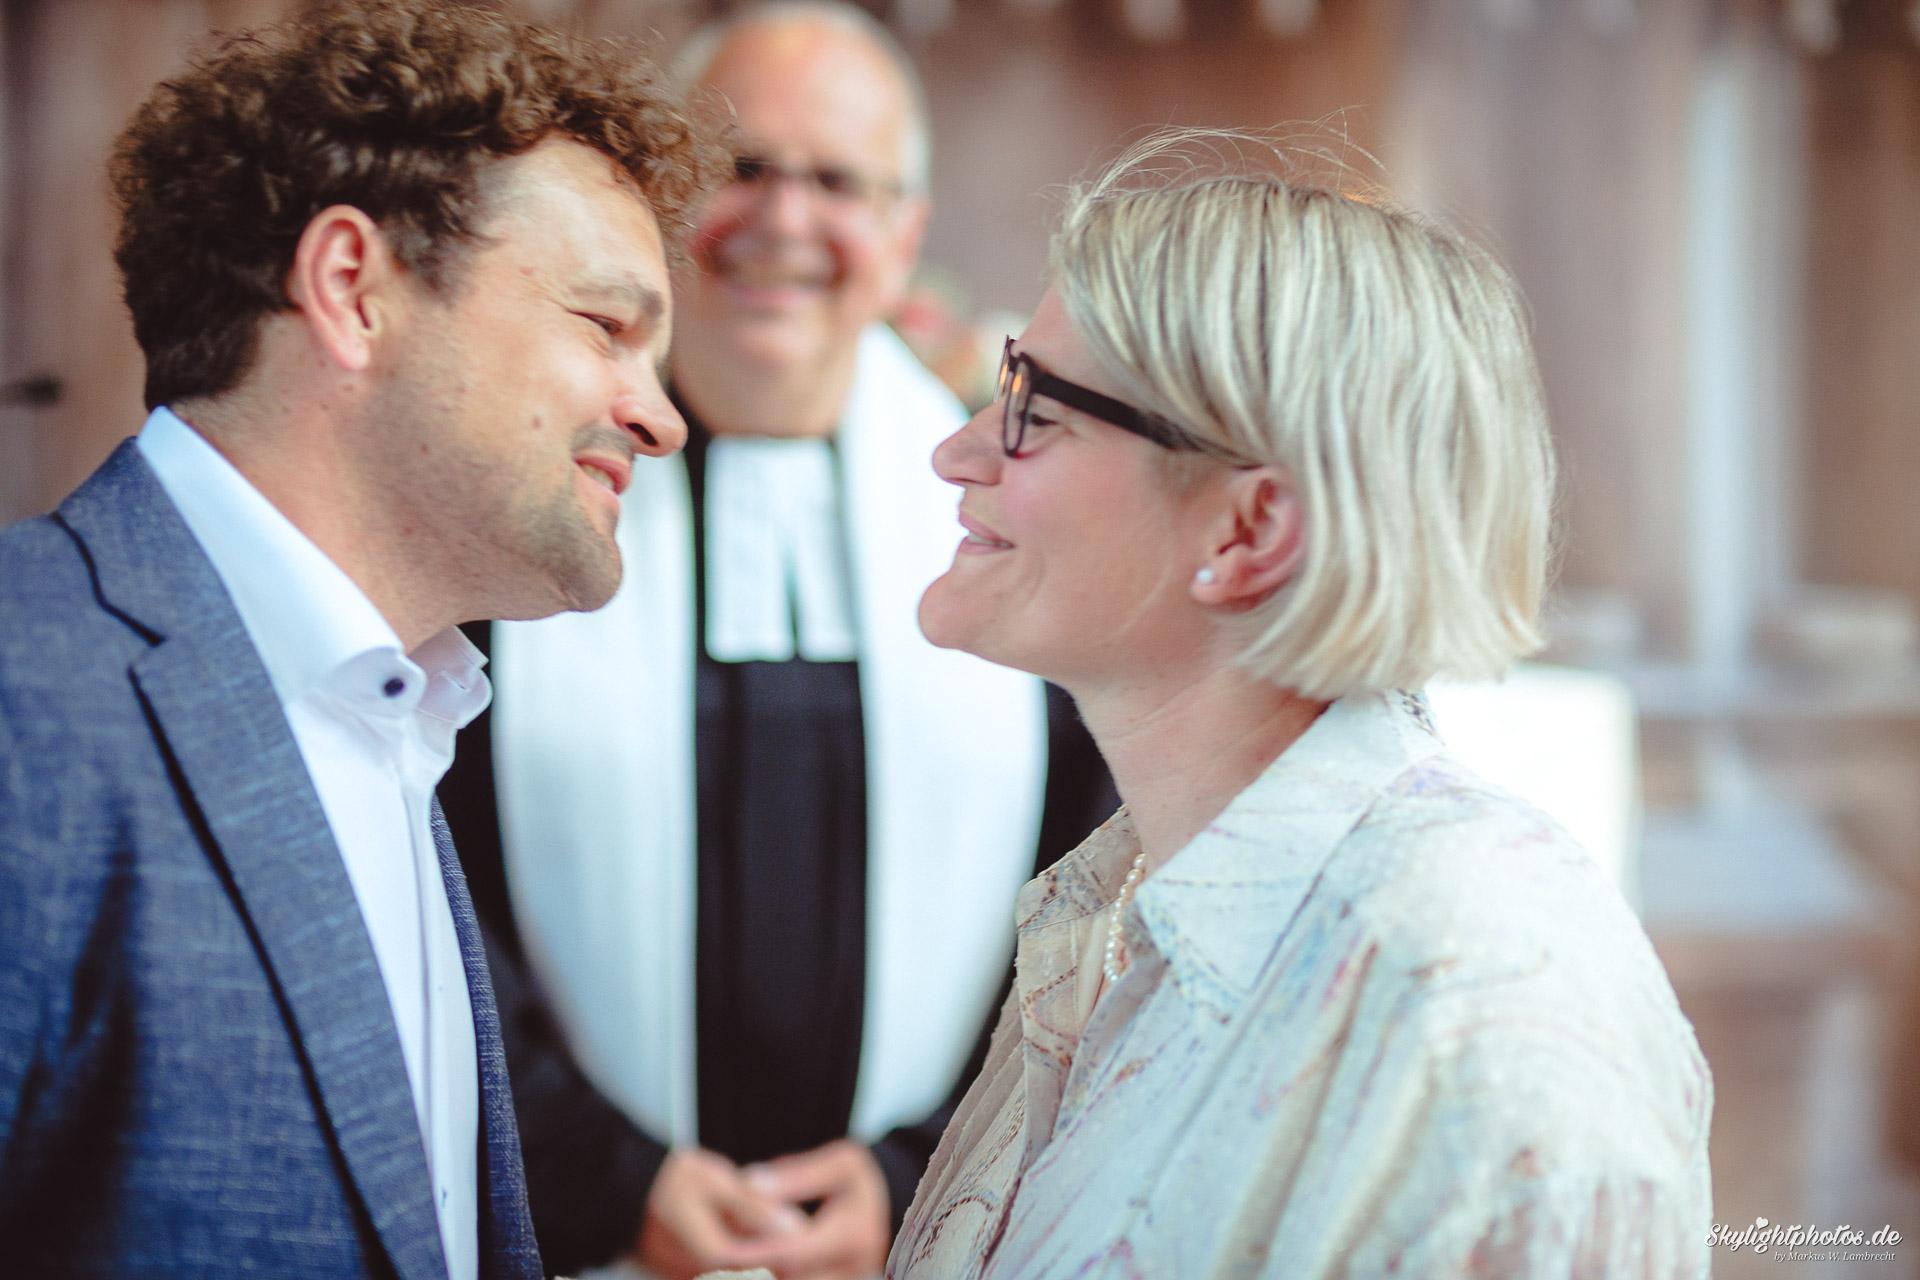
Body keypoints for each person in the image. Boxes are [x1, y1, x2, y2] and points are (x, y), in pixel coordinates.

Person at [890, 128, 1715, 1278]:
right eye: (1001, 379)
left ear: (1248, 530)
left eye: (1037, 405)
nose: (958, 449)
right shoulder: (1125, 902)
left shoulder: (1478, 1006)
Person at [0, 3, 719, 1276]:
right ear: (351, 290)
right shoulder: (26, 689)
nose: (661, 417)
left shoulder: (396, 719)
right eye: (607, 325)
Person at [437, 4, 1115, 1278]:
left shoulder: (1015, 537)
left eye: (838, 183)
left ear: (904, 234)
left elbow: (1086, 900)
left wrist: (918, 1177)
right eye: (741, 167)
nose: (784, 220)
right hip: (583, 1224)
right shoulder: (525, 513)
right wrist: (611, 1182)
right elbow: (442, 886)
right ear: (662, 204)